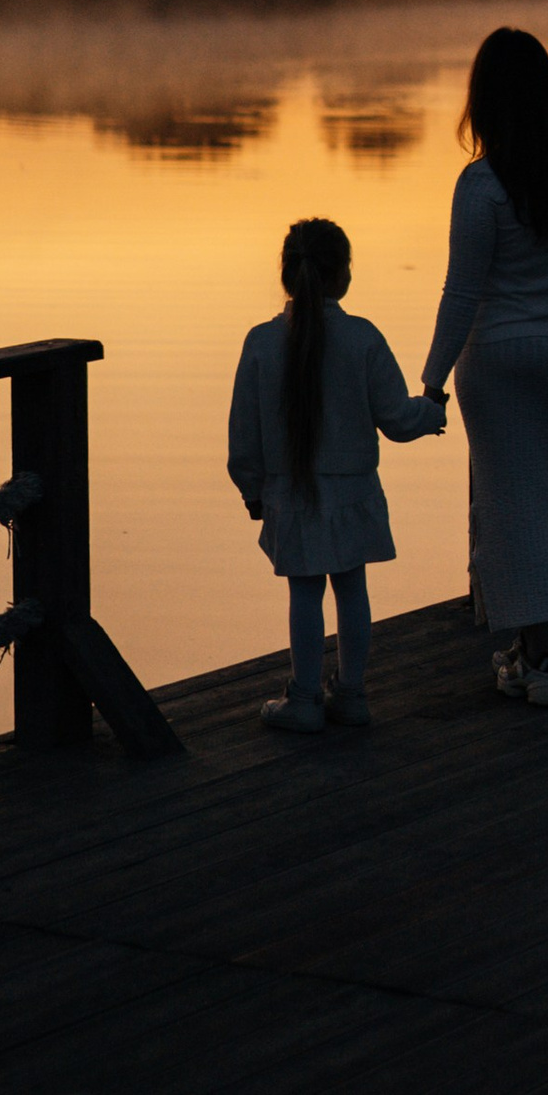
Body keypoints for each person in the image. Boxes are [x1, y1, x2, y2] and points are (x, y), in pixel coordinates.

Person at [421, 26, 548, 707]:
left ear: (484, 99)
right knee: (534, 500)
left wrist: (431, 381)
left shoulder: (482, 184)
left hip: (503, 361)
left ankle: (544, 659)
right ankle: (526, 647)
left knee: (516, 510)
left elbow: (463, 292)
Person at [228, 215, 445, 735]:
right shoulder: (362, 338)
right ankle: (350, 694)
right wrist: (432, 409)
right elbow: (395, 419)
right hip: (354, 493)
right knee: (352, 589)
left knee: (304, 593)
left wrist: (252, 489)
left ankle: (303, 698)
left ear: (287, 274)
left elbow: (244, 434)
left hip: (291, 494)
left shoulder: (260, 343)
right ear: (342, 276)